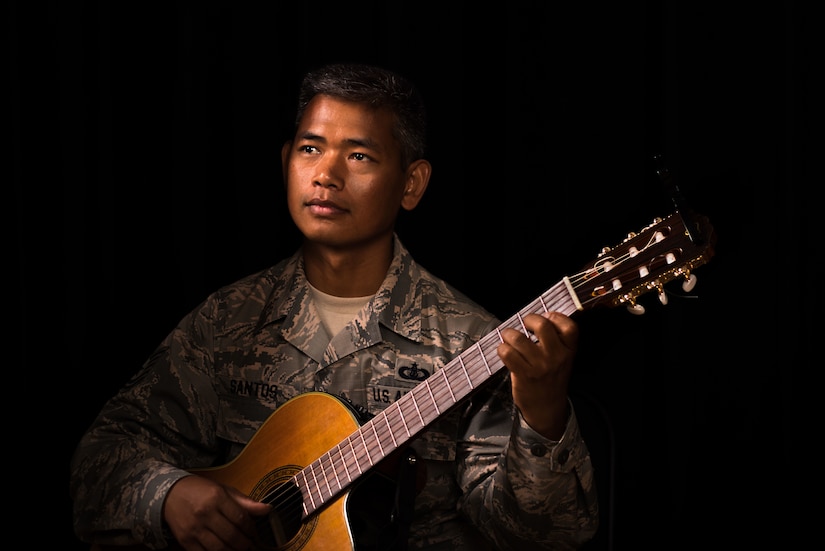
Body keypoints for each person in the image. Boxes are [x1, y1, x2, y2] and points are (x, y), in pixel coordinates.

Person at [70, 62, 600, 551]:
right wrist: (168, 496)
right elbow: (101, 460)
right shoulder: (227, 321)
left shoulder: (471, 341)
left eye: (359, 155)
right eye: (310, 148)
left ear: (411, 184)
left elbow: (543, 535)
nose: (326, 174)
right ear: (286, 162)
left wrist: (542, 412)